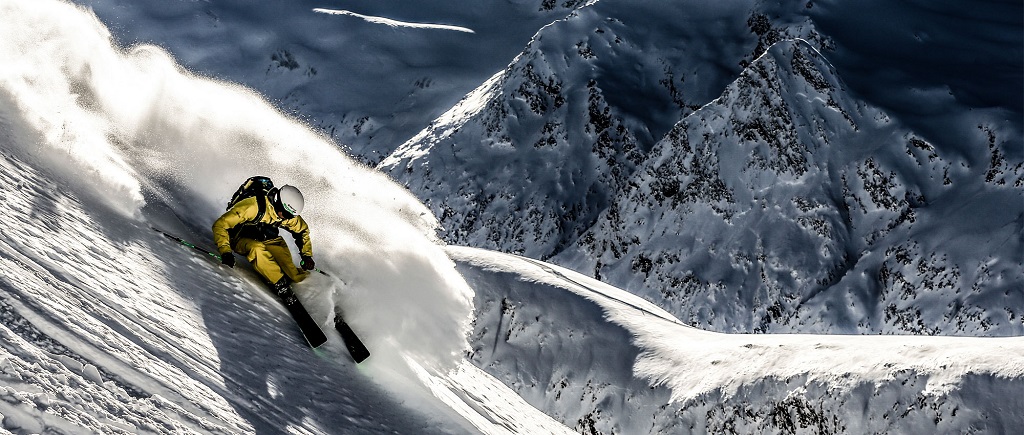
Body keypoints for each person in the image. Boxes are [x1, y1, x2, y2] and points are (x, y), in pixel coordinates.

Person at [212, 184, 316, 295]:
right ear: (277, 202)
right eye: (285, 214)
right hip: (241, 239)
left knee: (293, 274)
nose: (286, 218)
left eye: (290, 216)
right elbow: (220, 224)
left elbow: (302, 231)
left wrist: (307, 255)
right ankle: (280, 283)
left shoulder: (285, 214)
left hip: (268, 239)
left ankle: (312, 287)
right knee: (257, 249)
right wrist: (225, 252)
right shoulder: (253, 207)